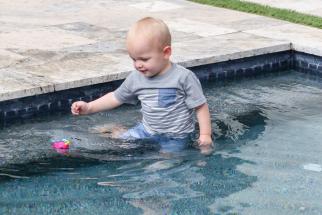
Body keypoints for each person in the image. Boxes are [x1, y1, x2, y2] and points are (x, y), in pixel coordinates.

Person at [71, 17, 213, 154]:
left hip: (175, 136)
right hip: (146, 130)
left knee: (168, 160)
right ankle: (116, 130)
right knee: (122, 143)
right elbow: (115, 97)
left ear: (166, 52)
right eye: (134, 59)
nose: (138, 64)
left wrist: (205, 134)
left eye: (144, 59)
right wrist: (89, 107)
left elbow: (200, 106)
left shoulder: (183, 77)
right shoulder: (136, 78)